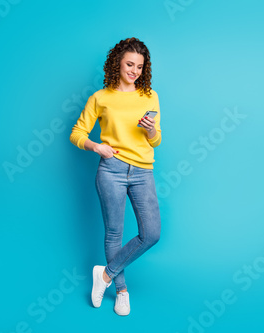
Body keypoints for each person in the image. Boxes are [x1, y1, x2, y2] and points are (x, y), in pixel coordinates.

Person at [69, 37, 162, 316]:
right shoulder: (101, 98)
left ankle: (105, 275)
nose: (134, 71)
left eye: (140, 67)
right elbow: (77, 133)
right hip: (112, 170)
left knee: (152, 234)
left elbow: (156, 141)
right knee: (114, 233)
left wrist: (149, 131)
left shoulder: (150, 96)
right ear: (117, 63)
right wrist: (97, 146)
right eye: (129, 64)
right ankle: (121, 291)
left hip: (143, 171)